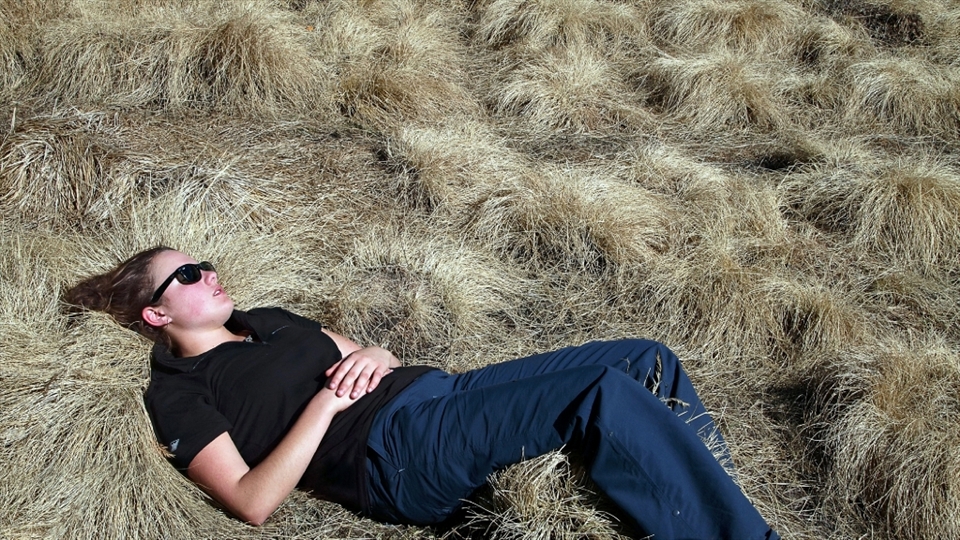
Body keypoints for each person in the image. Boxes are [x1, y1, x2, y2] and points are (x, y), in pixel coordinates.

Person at [64, 246, 780, 540]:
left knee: (643, 359)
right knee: (599, 390)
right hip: (394, 453)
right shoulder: (182, 391)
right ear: (155, 314)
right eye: (187, 277)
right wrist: (325, 406)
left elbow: (366, 355)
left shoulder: (267, 321)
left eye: (206, 265)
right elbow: (252, 503)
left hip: (440, 394)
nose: (209, 276)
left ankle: (709, 489)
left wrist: (375, 352)